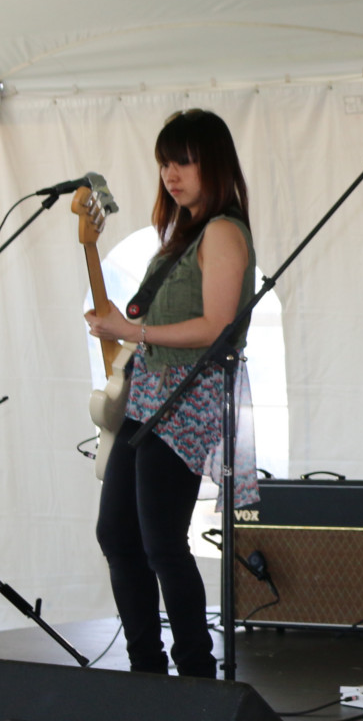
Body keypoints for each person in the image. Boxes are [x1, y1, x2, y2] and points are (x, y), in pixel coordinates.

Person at [87, 109, 258, 679]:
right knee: (117, 533)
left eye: (183, 161)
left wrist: (132, 331)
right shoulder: (178, 236)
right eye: (165, 162)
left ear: (213, 162)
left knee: (162, 542)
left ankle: (194, 674)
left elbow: (216, 325)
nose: (171, 174)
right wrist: (124, 324)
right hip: (145, 401)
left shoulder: (224, 231)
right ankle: (146, 670)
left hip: (186, 403)